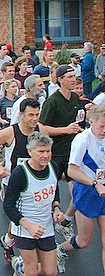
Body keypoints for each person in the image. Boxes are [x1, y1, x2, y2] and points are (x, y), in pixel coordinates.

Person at [0, 98, 41, 263]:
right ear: (21, 115)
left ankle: (8, 240)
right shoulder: (10, 132)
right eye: (30, 114)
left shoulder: (39, 130)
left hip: (33, 183)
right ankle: (23, 252)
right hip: (12, 182)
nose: (34, 118)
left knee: (26, 217)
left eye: (37, 114)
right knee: (19, 216)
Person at [3, 132, 63, 276]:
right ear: (30, 151)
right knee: (32, 271)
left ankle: (20, 266)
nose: (45, 155)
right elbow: (8, 205)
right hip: (25, 229)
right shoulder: (20, 174)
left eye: (48, 151)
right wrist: (29, 226)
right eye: (41, 151)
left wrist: (56, 208)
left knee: (51, 272)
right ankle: (22, 266)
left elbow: (54, 189)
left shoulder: (53, 167)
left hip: (45, 228)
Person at [57, 104, 105, 274]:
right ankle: (60, 249)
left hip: (104, 191)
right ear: (91, 121)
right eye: (101, 126)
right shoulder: (82, 139)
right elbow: (72, 170)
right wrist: (94, 183)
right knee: (84, 241)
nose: (104, 130)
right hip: (87, 190)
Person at [39, 65, 82, 241]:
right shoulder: (53, 101)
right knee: (50, 191)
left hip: (73, 153)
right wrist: (65, 130)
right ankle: (46, 227)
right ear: (60, 79)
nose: (73, 79)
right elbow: (41, 128)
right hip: (56, 152)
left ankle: (66, 220)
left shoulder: (75, 97)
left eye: (74, 76)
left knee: (78, 190)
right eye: (69, 77)